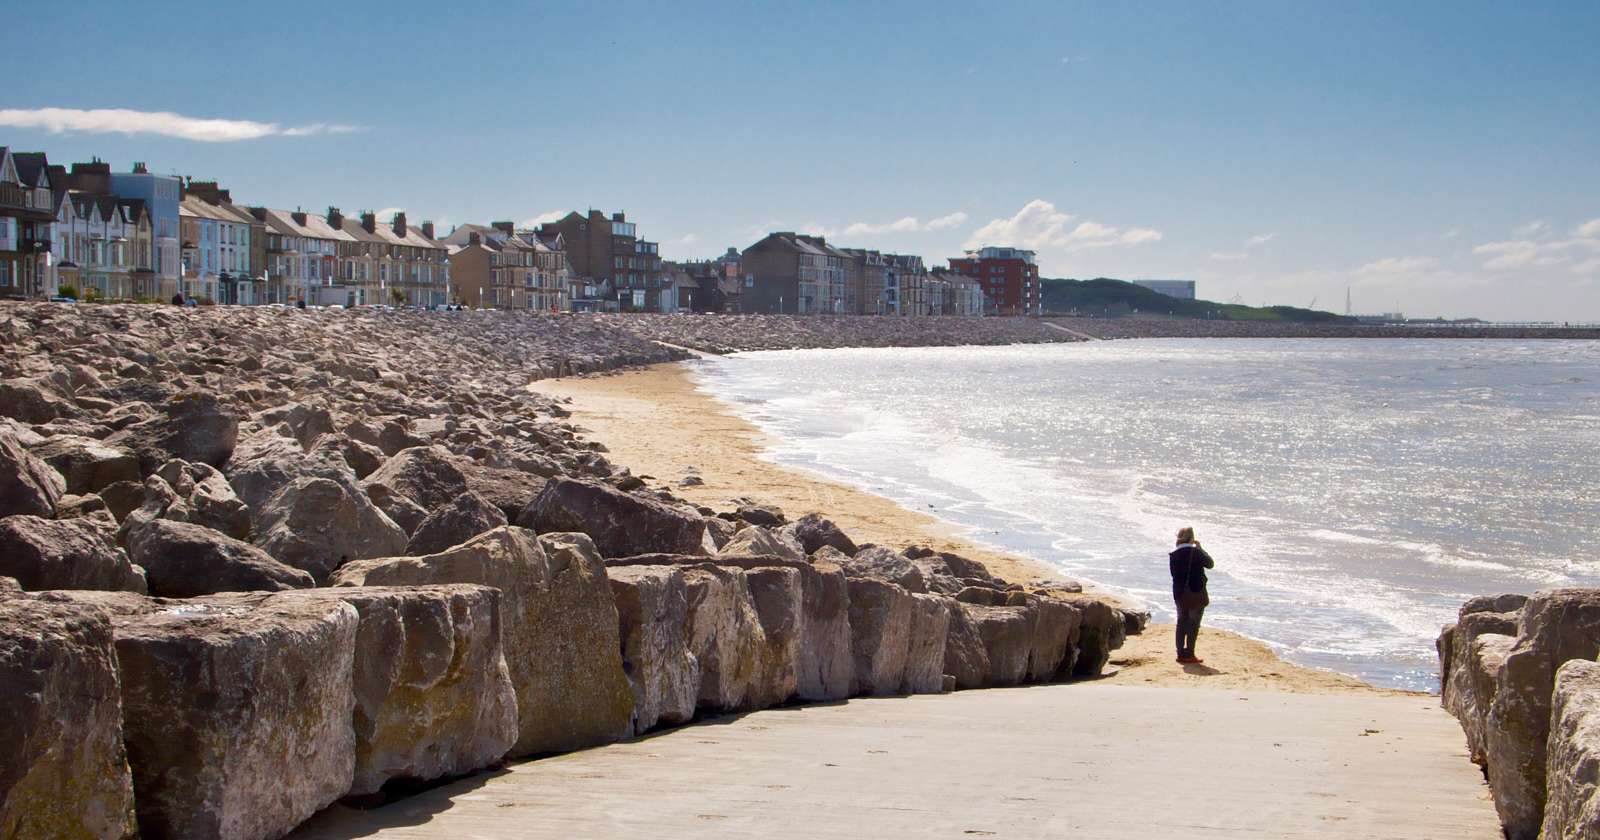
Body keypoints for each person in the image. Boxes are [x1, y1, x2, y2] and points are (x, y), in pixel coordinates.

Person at [1169, 526, 1214, 664]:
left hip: (1179, 593)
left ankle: (1180, 654)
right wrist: (1200, 548)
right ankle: (1190, 654)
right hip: (1195, 591)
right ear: (1191, 538)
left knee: (1181, 622)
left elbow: (1174, 575)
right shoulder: (1196, 552)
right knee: (1194, 623)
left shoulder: (1174, 554)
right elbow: (1210, 564)